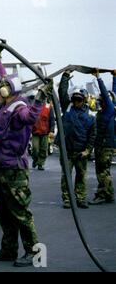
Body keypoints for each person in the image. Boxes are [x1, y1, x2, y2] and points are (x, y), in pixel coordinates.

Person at [0, 45, 51, 267]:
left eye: (3, 87)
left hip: (14, 169)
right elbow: (2, 76)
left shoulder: (20, 107)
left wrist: (40, 98)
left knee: (20, 212)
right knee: (4, 212)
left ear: (9, 90)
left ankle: (34, 252)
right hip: (1, 166)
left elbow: (32, 117)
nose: (0, 88)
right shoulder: (5, 104)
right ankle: (9, 249)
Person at [58, 70, 96, 209]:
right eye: (74, 99)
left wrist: (88, 150)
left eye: (79, 99)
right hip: (67, 149)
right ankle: (67, 199)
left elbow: (93, 135)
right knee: (66, 176)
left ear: (84, 99)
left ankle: (80, 198)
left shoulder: (90, 115)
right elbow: (62, 92)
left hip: (81, 152)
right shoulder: (67, 107)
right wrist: (66, 76)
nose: (76, 101)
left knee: (81, 176)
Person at [89, 69, 115, 205]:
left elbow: (106, 94)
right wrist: (115, 77)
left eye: (101, 100)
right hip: (103, 144)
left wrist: (99, 78)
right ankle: (108, 193)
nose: (99, 101)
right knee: (105, 170)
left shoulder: (109, 109)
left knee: (102, 171)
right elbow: (112, 94)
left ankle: (103, 194)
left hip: (105, 146)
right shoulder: (109, 110)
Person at [31, 98, 55, 170]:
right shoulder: (33, 106)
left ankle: (40, 164)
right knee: (35, 149)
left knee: (44, 149)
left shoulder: (48, 107)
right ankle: (35, 160)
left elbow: (52, 120)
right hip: (35, 132)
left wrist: (51, 130)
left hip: (45, 132)